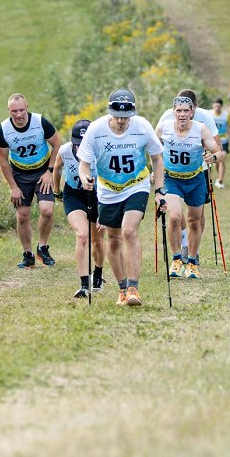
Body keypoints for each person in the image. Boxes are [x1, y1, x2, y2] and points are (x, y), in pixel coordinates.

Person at [77, 89, 165, 306]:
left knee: (129, 231)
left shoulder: (142, 126)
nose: (120, 121)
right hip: (108, 190)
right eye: (117, 115)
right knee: (114, 240)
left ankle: (134, 288)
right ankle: (122, 289)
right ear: (110, 111)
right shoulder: (96, 130)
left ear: (132, 114)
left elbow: (157, 158)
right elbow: (84, 165)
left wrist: (160, 190)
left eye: (125, 117)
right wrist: (86, 177)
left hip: (137, 185)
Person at [159, 95, 224, 280]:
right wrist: (154, 169)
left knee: (194, 221)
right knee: (174, 216)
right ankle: (177, 258)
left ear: (192, 112)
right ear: (173, 112)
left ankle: (193, 262)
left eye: (186, 111)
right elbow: (152, 148)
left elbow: (219, 151)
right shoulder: (164, 127)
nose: (182, 114)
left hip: (195, 179)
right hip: (172, 179)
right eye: (178, 111)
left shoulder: (200, 129)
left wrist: (215, 157)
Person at [0, 94, 62, 269]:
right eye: (14, 111)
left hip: (42, 172)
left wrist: (49, 171)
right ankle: (28, 254)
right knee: (22, 215)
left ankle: (42, 247)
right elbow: (2, 160)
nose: (18, 115)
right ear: (8, 111)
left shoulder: (40, 122)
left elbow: (57, 144)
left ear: (27, 107)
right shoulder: (4, 129)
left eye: (21, 110)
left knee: (47, 210)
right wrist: (13, 187)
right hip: (20, 174)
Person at [57, 119, 105, 298]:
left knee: (98, 241)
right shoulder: (64, 150)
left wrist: (105, 210)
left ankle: (98, 273)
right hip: (74, 194)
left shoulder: (101, 153)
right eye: (78, 144)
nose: (80, 148)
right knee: (82, 235)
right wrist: (56, 190)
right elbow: (57, 168)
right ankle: (84, 284)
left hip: (99, 196)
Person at [209, 98, 230, 188]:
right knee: (217, 161)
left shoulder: (226, 115)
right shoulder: (209, 114)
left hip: (223, 140)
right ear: (213, 106)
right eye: (215, 106)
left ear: (221, 107)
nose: (217, 108)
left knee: (222, 159)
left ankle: (220, 181)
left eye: (219, 107)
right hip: (212, 141)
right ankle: (218, 178)